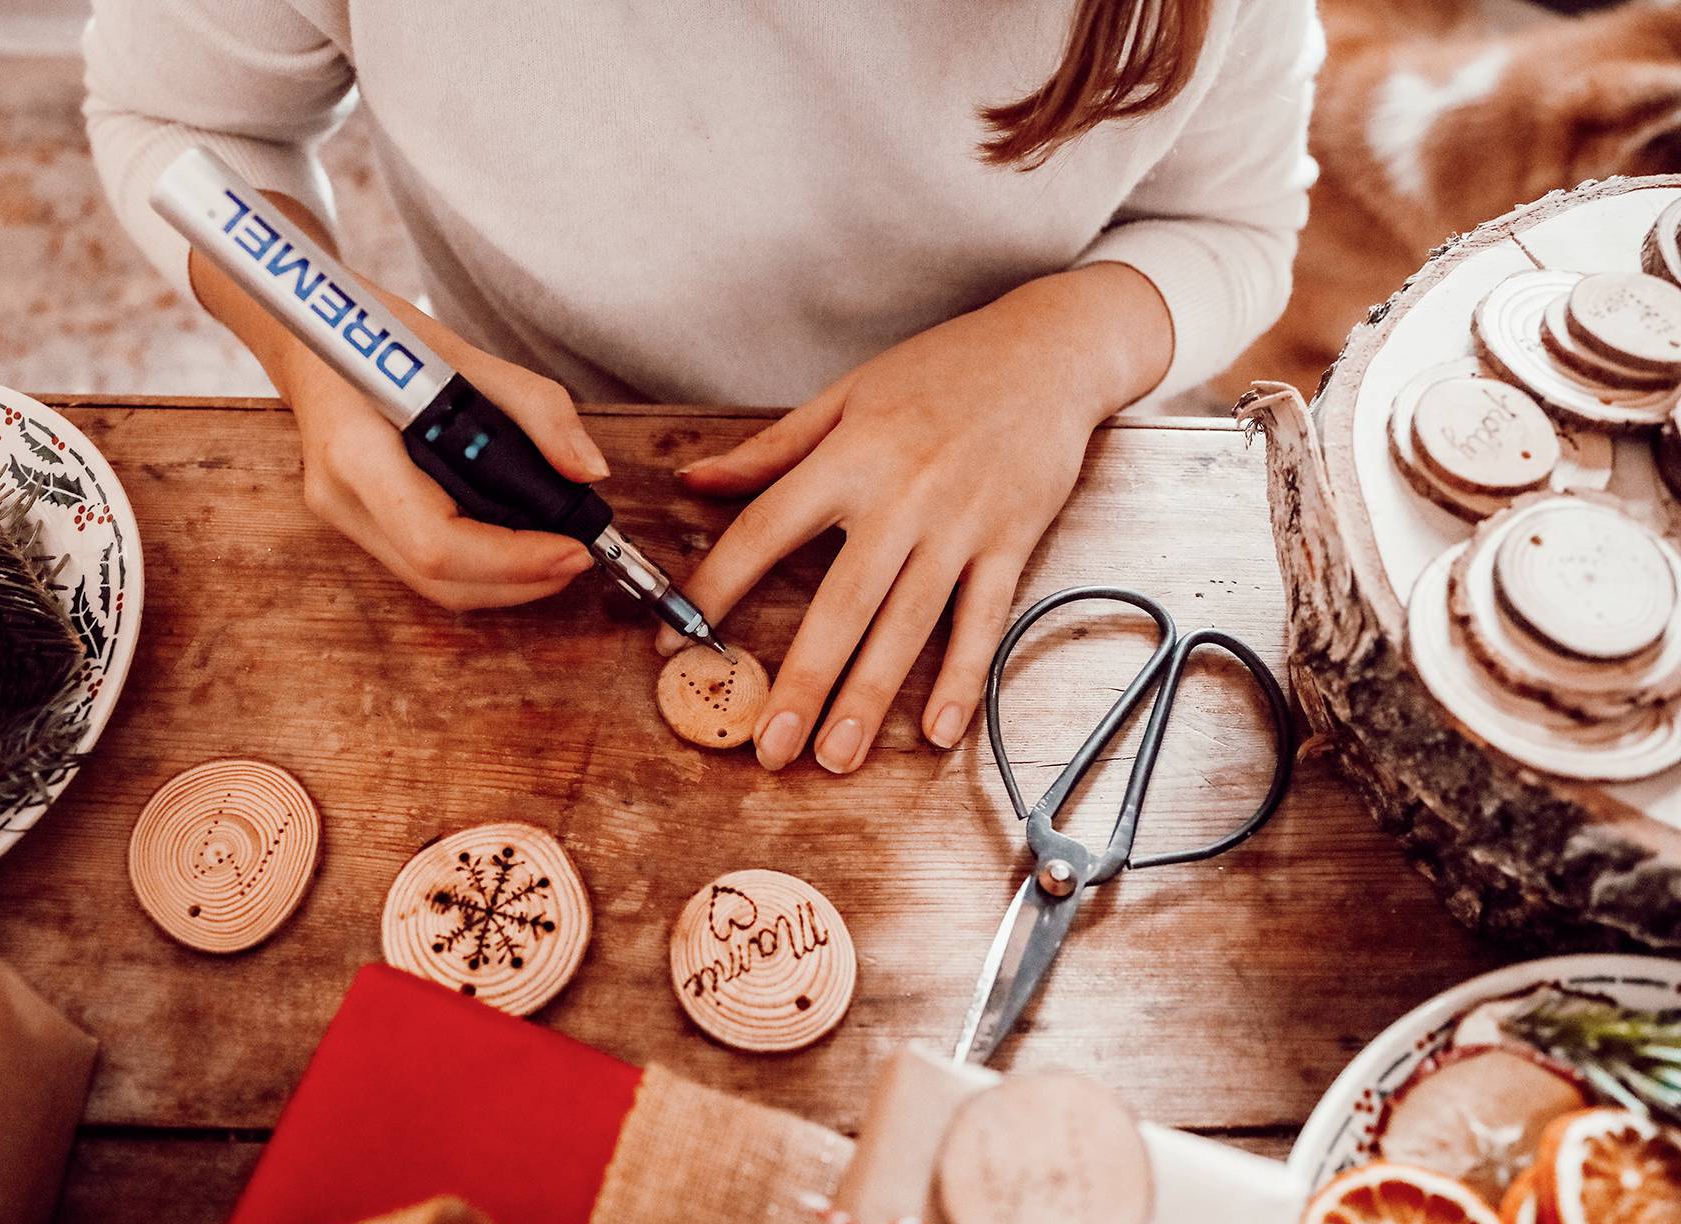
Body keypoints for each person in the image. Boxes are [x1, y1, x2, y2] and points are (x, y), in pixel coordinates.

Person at [84, 0, 1322, 774]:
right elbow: (177, 121)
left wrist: (1064, 349)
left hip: (1010, 499)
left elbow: (1230, 224)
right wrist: (315, 341)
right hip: (539, 431)